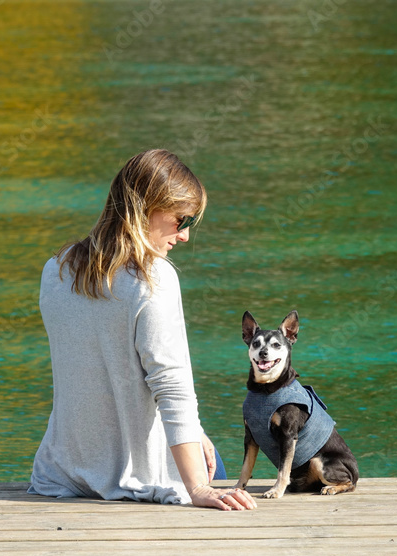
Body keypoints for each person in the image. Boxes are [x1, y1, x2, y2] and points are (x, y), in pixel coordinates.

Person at [27, 149, 256, 511]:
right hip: (143, 480)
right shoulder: (153, 278)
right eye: (182, 220)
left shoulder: (56, 269)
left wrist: (194, 431)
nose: (183, 236)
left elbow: (97, 374)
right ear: (149, 208)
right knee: (217, 471)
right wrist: (198, 488)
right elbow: (170, 385)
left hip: (62, 476)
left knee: (200, 442)